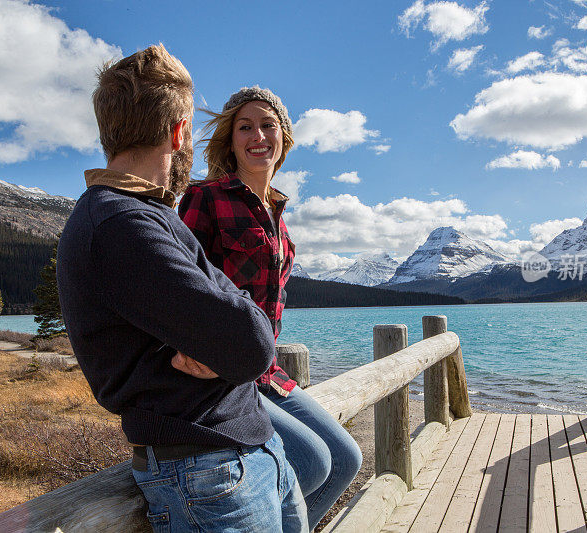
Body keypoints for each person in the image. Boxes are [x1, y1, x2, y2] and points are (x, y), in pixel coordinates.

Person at [57, 46, 307, 533]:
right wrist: (229, 328)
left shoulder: (150, 217)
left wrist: (225, 327)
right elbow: (251, 343)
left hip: (243, 450)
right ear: (179, 132)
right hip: (205, 469)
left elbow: (239, 324)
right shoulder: (120, 225)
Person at [178, 86, 363, 529]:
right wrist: (188, 345)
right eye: (245, 127)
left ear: (284, 137)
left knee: (346, 459)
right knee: (315, 463)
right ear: (230, 138)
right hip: (225, 375)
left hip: (267, 371)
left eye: (267, 125)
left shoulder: (277, 210)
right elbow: (178, 280)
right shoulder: (207, 197)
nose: (257, 135)